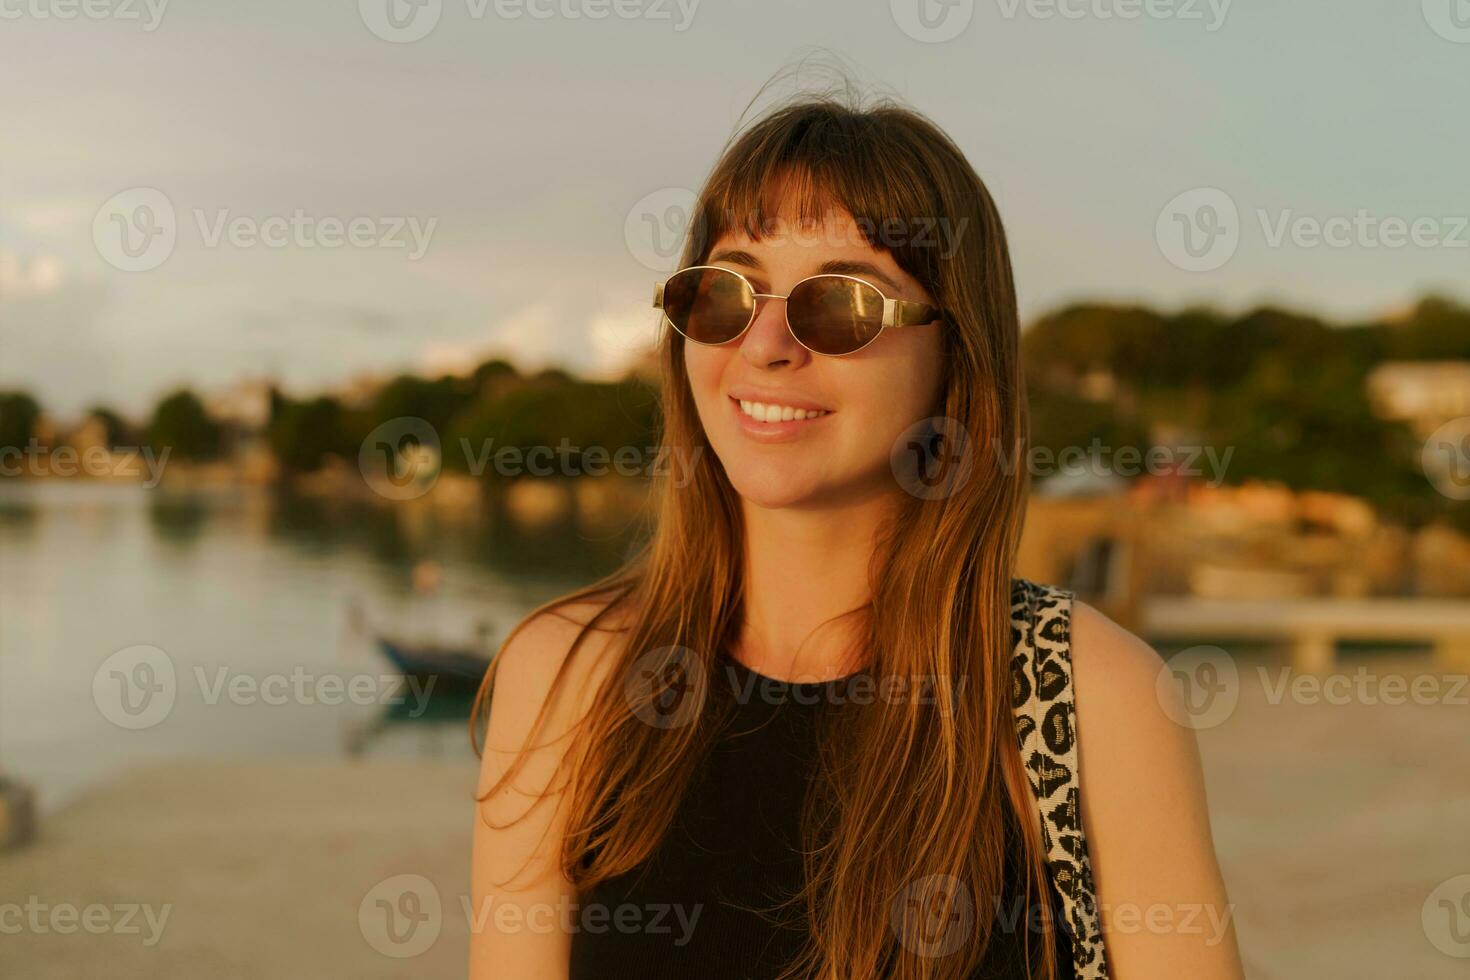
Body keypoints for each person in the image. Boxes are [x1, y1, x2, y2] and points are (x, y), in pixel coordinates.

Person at [470, 89, 1244, 980]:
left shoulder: (1085, 699)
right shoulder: (567, 680)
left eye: (839, 305)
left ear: (954, 358)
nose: (765, 344)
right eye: (726, 292)